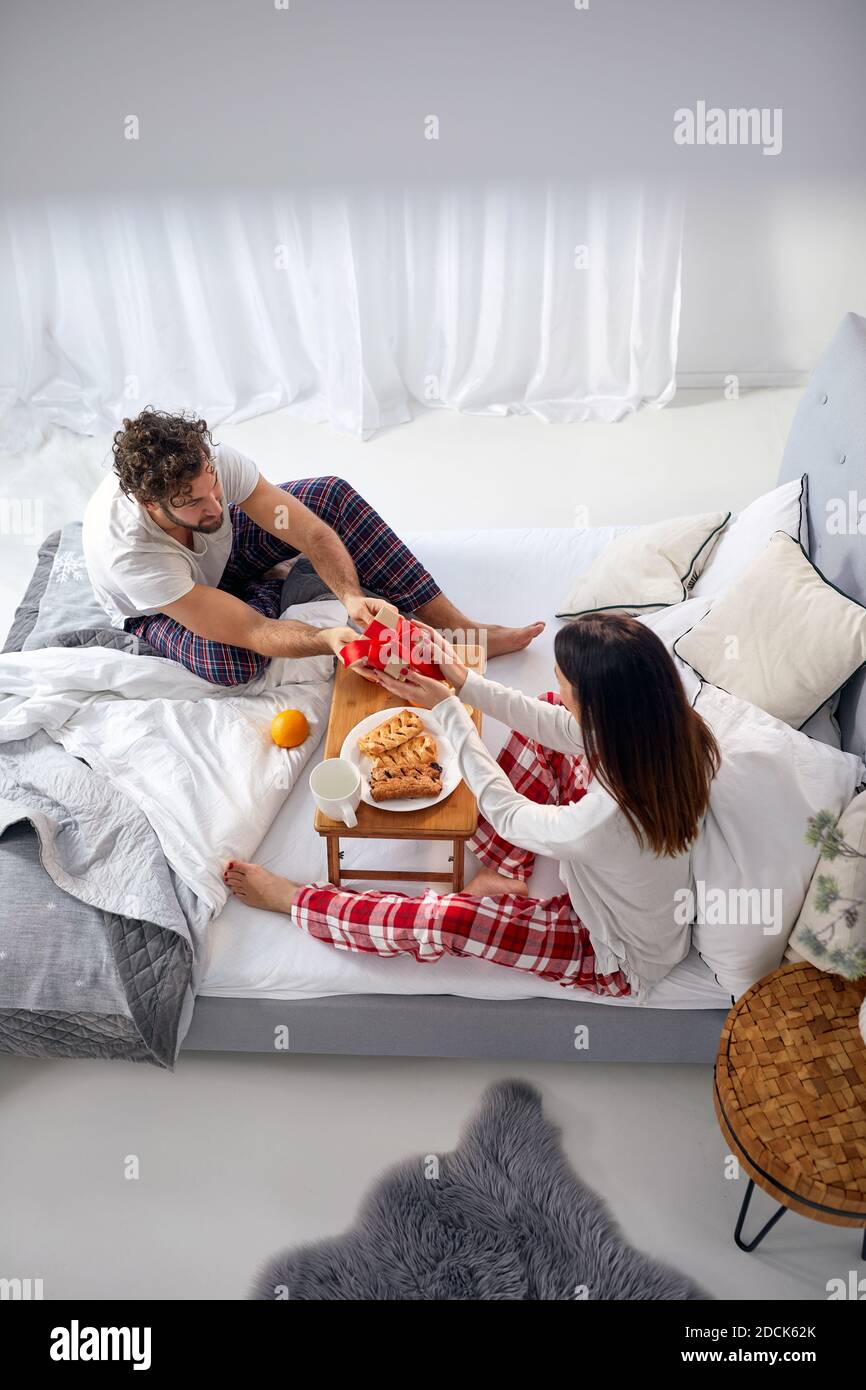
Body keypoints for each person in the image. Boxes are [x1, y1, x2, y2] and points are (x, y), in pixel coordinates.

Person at [223, 613, 721, 1002]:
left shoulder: (602, 820)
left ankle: (295, 901)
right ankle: (505, 871)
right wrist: (462, 681)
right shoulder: (668, 728)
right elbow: (559, 726)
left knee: (448, 922)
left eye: (569, 687)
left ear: (601, 706)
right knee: (541, 719)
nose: (561, 690)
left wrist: (449, 713)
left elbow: (508, 813)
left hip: (612, 947)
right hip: (613, 868)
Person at [82, 407, 544, 687]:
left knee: (329, 498)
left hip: (220, 562)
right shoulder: (131, 553)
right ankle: (264, 592)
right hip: (162, 606)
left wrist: (350, 595)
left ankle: (462, 628)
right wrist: (326, 639)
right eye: (194, 502)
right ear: (151, 504)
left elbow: (310, 532)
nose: (215, 504)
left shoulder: (213, 473)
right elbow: (252, 633)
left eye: (214, 486)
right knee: (233, 662)